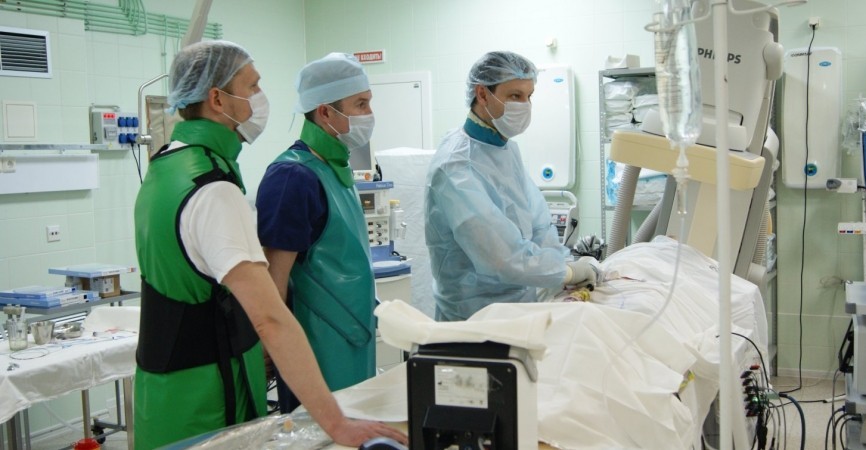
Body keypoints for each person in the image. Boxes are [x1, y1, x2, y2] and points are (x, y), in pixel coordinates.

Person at [132, 41, 406, 449]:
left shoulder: (166, 166)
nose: (261, 98)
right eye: (253, 86)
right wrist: (337, 424)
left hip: (163, 391)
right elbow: (270, 317)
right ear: (217, 99)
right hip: (207, 394)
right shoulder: (214, 188)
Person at [425, 50, 600, 322]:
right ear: (482, 94)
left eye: (529, 96)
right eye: (515, 96)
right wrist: (567, 273)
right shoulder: (455, 166)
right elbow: (501, 258)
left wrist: (562, 262)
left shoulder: (505, 150)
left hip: (521, 306)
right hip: (474, 317)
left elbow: (538, 225)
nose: (525, 105)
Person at [255, 53, 376, 412]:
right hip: (315, 343)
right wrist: (269, 345)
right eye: (360, 104)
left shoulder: (335, 169)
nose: (369, 114)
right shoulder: (293, 177)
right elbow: (274, 279)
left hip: (354, 335)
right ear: (325, 112)